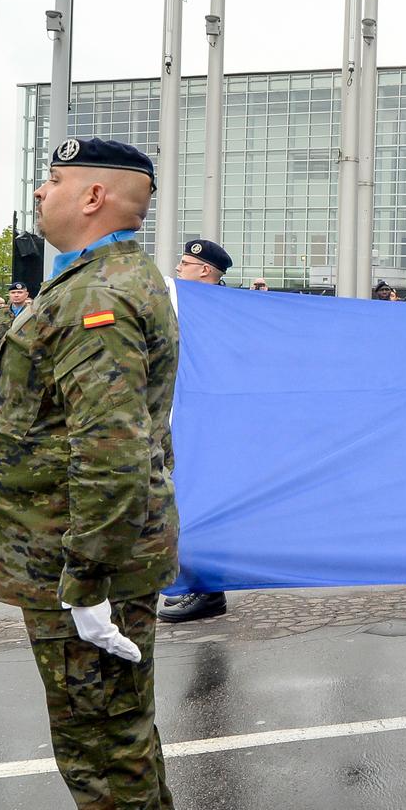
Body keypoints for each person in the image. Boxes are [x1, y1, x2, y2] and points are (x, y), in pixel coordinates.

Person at [0, 135, 181, 810]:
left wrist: (89, 579)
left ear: (95, 196)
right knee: (118, 727)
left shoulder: (99, 295)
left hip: (81, 565)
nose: (43, 191)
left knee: (99, 744)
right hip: (79, 558)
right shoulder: (99, 280)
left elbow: (110, 453)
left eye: (55, 180)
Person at [161, 239, 234, 625]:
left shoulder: (227, 311)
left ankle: (208, 590)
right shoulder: (181, 306)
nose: (178, 268)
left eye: (185, 263)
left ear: (205, 270)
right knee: (186, 500)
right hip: (187, 415)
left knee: (203, 502)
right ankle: (202, 586)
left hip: (213, 423)